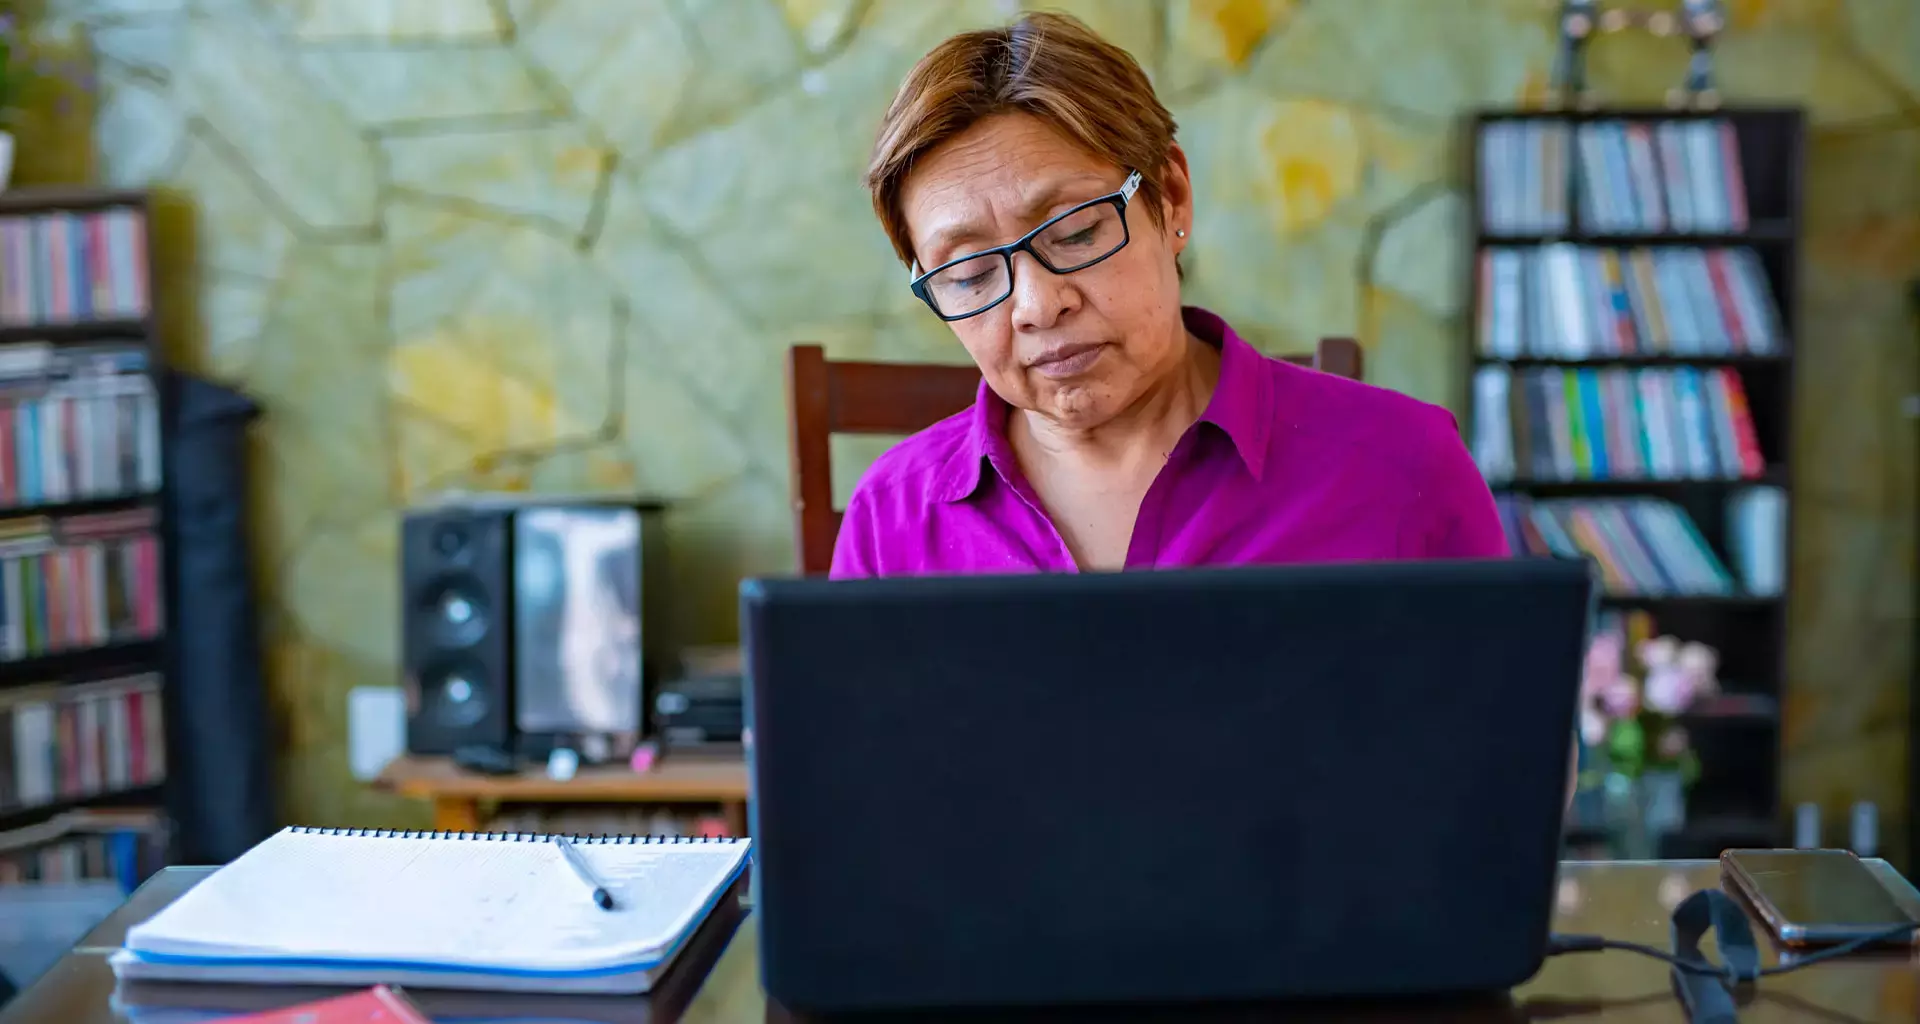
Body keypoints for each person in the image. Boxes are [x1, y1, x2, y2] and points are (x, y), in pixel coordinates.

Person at [833, 11, 1507, 580]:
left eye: (1073, 232)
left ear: (1171, 196)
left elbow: (1503, 732)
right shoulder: (892, 519)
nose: (1038, 305)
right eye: (972, 275)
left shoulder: (1401, 468)